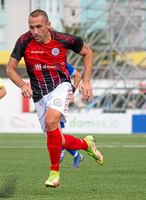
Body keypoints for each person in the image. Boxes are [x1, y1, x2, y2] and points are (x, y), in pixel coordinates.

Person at [7, 9, 104, 188]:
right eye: (31, 27)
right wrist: (22, 84)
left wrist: (86, 81)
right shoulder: (23, 41)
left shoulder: (63, 39)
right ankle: (86, 144)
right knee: (55, 137)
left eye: (39, 27)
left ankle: (54, 174)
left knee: (52, 122)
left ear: (48, 25)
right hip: (39, 95)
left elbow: (88, 52)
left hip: (61, 86)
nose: (35, 31)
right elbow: (10, 69)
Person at [59, 63, 84, 168]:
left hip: (59, 101)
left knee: (55, 132)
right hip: (48, 101)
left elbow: (77, 74)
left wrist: (71, 92)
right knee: (53, 133)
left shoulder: (62, 63)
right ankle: (76, 154)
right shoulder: (44, 63)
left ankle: (64, 149)